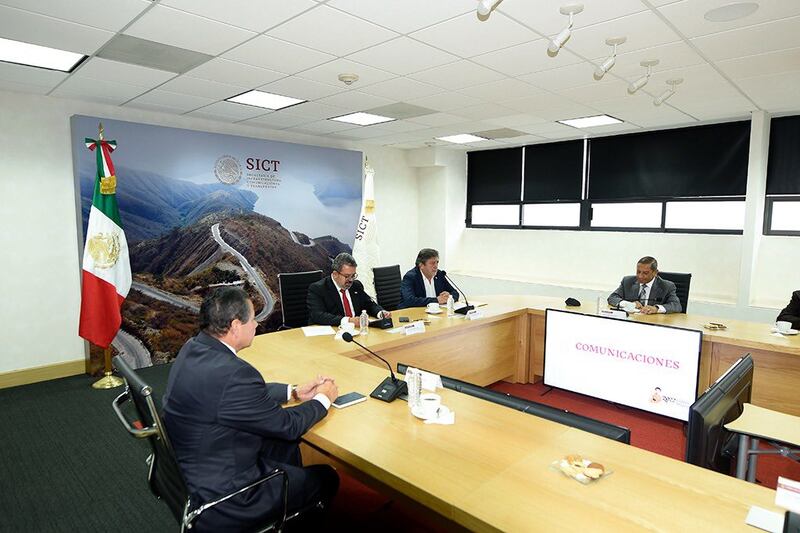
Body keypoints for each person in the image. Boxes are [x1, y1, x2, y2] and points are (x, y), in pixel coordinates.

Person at [162, 287, 339, 532]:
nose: (256, 324)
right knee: (327, 477)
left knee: (285, 448)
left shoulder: (193, 348)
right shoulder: (235, 373)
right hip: (228, 496)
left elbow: (235, 395)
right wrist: (323, 399)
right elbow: (287, 426)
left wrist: (295, 391)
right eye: (253, 318)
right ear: (235, 326)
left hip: (194, 469)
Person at [307, 252, 391, 326]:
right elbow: (318, 315)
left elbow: (369, 304)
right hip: (332, 334)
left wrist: (381, 313)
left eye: (353, 276)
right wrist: (348, 320)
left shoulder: (356, 286)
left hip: (356, 331)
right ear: (335, 274)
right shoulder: (318, 288)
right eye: (347, 276)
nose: (351, 280)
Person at [607, 256, 682, 314]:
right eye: (638, 272)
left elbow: (676, 306)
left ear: (655, 273)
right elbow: (612, 298)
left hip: (653, 324)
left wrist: (656, 308)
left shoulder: (667, 286)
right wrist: (628, 304)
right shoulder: (627, 281)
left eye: (645, 273)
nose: (640, 276)